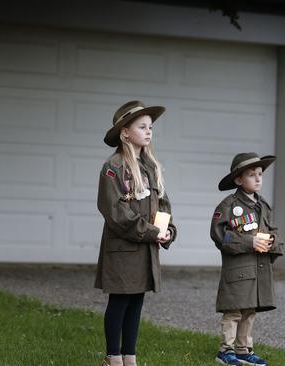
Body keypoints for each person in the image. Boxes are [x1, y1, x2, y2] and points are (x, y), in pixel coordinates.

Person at [95, 100, 177, 366]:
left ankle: (130, 356)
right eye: (142, 126)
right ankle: (113, 357)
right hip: (123, 249)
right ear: (125, 133)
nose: (148, 131)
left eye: (150, 127)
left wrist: (167, 230)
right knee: (120, 302)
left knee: (136, 303)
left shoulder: (151, 167)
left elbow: (163, 205)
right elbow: (116, 213)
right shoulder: (114, 166)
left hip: (145, 248)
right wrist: (152, 232)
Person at [210, 152, 283, 366]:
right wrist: (249, 243)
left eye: (260, 174)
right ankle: (225, 350)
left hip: (257, 269)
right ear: (239, 180)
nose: (258, 178)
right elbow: (219, 235)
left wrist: (272, 242)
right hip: (238, 270)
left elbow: (273, 231)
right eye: (252, 175)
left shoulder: (264, 206)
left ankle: (243, 349)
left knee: (249, 311)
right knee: (234, 311)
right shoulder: (229, 206)